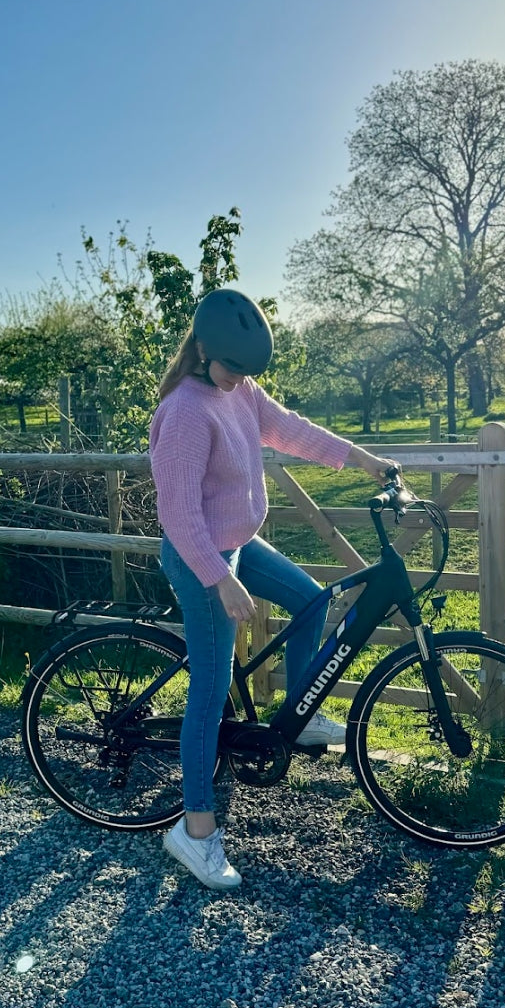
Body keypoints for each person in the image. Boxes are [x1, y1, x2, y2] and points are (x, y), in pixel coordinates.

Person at [149, 288, 390, 890]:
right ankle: (194, 831)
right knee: (208, 689)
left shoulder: (241, 391)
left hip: (235, 543)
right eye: (232, 368)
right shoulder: (184, 411)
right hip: (199, 553)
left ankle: (298, 714)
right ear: (202, 350)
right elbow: (177, 513)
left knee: (311, 601)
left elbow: (292, 431)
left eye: (249, 372)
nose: (239, 381)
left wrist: (362, 459)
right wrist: (219, 577)